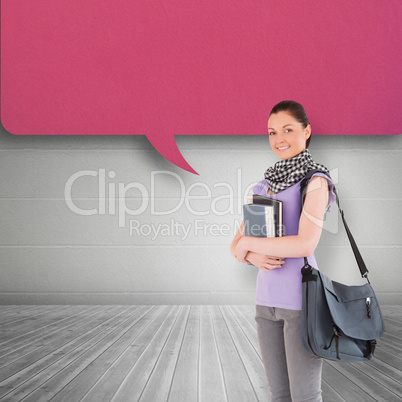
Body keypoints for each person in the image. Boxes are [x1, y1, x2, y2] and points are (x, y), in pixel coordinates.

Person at [230, 100, 337, 402]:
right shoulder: (263, 187)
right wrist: (250, 254)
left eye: (288, 130)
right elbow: (234, 248)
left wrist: (249, 245)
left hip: (300, 304)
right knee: (279, 396)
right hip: (265, 304)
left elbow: (305, 243)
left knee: (304, 397)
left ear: (307, 132)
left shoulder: (316, 182)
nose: (279, 139)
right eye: (272, 132)